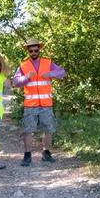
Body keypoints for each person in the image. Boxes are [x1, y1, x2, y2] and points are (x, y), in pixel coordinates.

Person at [12, 38, 66, 167]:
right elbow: (15, 82)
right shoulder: (23, 65)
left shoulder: (48, 62)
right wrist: (26, 77)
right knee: (27, 130)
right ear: (28, 51)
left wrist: (50, 73)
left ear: (39, 49)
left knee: (48, 129)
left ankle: (46, 153)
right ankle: (27, 155)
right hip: (30, 104)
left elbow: (62, 72)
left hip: (46, 103)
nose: (34, 52)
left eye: (36, 50)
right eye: (31, 50)